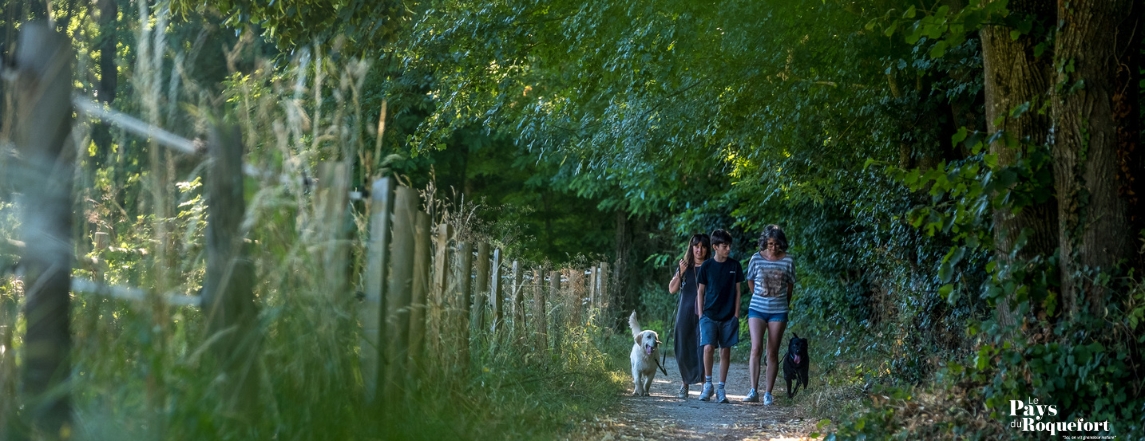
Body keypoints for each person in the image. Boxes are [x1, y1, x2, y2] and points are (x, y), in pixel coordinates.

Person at [743, 225, 796, 405]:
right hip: (757, 308)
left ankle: (768, 393)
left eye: (777, 244)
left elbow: (790, 286)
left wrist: (783, 303)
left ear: (782, 243)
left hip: (778, 310)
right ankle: (753, 390)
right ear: (765, 242)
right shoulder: (756, 258)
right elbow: (750, 280)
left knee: (772, 351)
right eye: (771, 243)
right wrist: (759, 295)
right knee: (756, 348)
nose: (774, 247)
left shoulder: (788, 260)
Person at [696, 229, 744, 404]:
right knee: (708, 347)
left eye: (729, 245)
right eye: (724, 246)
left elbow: (738, 292)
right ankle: (708, 385)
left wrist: (736, 315)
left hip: (728, 316)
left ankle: (721, 388)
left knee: (725, 350)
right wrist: (701, 314)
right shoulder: (707, 266)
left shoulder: (735, 266)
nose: (728, 249)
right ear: (715, 247)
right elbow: (700, 292)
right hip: (709, 315)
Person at [667, 233, 711, 398]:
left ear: (707, 249)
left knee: (703, 346)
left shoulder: (710, 267)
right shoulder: (685, 266)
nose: (699, 250)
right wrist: (681, 271)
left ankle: (704, 384)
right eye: (696, 246)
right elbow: (672, 289)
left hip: (704, 311)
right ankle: (684, 383)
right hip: (685, 311)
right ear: (691, 248)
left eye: (703, 247)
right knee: (682, 345)